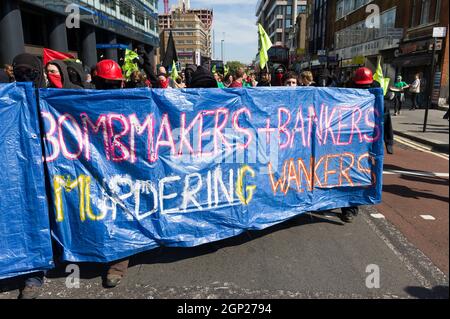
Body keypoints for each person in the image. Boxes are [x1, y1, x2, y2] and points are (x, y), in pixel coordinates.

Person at [93, 59, 132, 288]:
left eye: (113, 85)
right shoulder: (78, 103)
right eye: (106, 84)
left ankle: (118, 261)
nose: (110, 89)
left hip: (123, 170)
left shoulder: (129, 104)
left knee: (122, 210)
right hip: (91, 168)